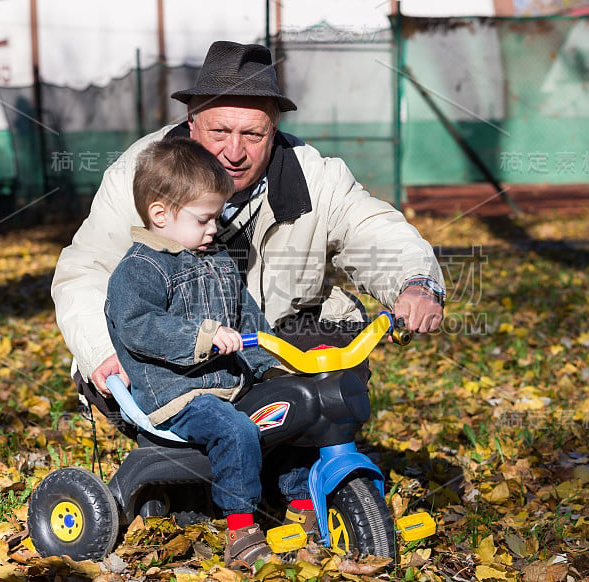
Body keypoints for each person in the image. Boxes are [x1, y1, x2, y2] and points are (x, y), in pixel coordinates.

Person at [51, 39, 445, 537]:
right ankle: (197, 475)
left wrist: (415, 284)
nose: (233, 152)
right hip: (163, 362)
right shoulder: (143, 173)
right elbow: (84, 269)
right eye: (219, 131)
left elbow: (376, 230)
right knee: (184, 468)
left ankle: (297, 465)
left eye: (252, 134)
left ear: (273, 131)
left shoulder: (313, 174)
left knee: (336, 328)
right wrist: (100, 351)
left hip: (263, 347)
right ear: (192, 122)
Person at [106, 137, 283, 567]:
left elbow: (247, 320)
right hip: (178, 396)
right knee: (235, 430)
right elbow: (138, 327)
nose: (213, 229)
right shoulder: (139, 270)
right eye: (204, 219)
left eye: (216, 217)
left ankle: (302, 508)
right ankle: (241, 528)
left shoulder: (217, 258)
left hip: (228, 385)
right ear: (161, 215)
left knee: (287, 412)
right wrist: (202, 336)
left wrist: (271, 367)